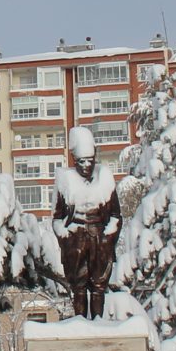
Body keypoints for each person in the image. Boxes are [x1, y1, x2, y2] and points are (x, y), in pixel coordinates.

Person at [53, 125, 121, 320]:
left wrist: (108, 236)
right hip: (76, 240)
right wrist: (65, 235)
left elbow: (116, 215)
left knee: (99, 286)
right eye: (82, 161)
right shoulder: (65, 181)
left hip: (100, 238)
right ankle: (80, 323)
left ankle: (98, 322)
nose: (86, 165)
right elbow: (57, 219)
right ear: (75, 160)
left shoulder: (105, 179)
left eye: (90, 161)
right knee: (79, 287)